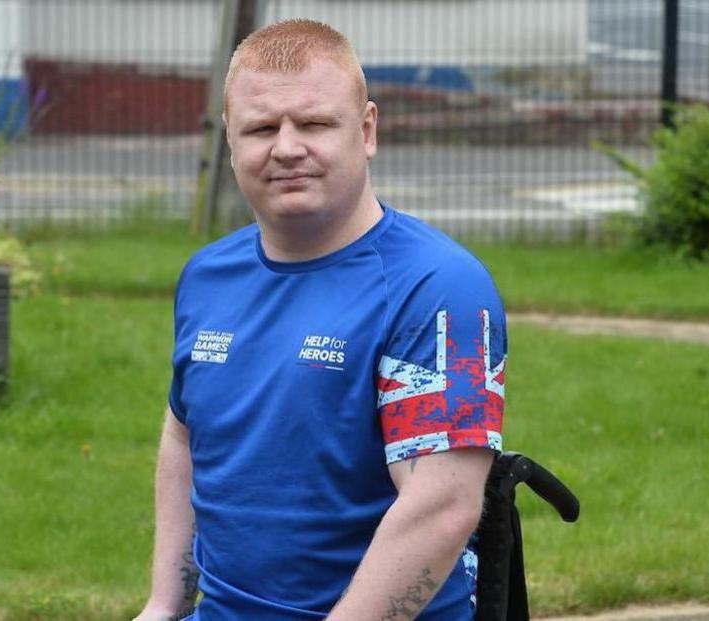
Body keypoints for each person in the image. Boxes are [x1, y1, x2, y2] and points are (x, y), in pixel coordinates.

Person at [133, 18, 506, 621]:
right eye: (260, 128)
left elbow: (443, 504)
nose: (286, 148)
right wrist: (163, 604)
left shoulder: (438, 287)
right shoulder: (207, 276)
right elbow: (185, 433)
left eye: (313, 123)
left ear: (365, 130)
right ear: (229, 138)